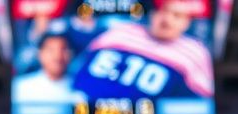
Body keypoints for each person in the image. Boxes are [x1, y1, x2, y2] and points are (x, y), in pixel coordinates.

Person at [72, 0, 214, 102]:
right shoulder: (120, 31)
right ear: (152, 14)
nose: (166, 20)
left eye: (176, 15)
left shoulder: (194, 51)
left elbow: (200, 105)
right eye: (162, 11)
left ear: (187, 23)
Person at [12, 30, 76, 105]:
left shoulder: (81, 90)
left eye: (63, 49)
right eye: (51, 50)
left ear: (71, 55)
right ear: (40, 54)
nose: (58, 56)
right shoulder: (20, 87)